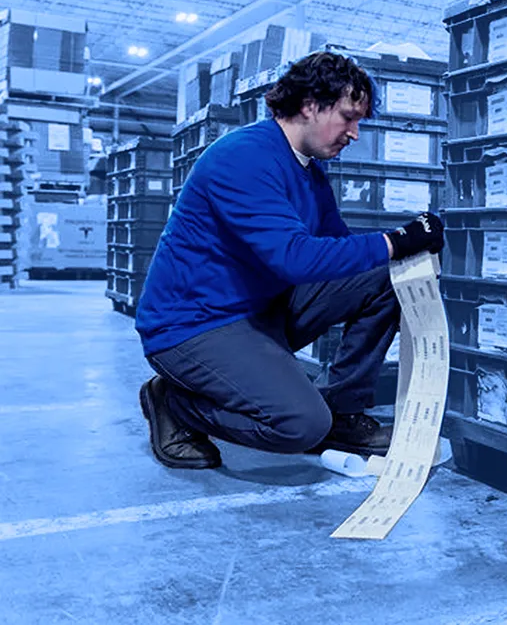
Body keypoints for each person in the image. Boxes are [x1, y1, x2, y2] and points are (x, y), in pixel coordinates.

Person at [134, 51, 444, 470]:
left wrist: (407, 250)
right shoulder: (243, 157)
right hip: (194, 326)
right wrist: (396, 240)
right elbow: (294, 260)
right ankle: (173, 402)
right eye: (348, 117)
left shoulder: (310, 173)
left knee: (382, 275)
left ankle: (344, 411)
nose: (354, 133)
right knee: (299, 425)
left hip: (258, 309)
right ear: (310, 105)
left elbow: (338, 248)